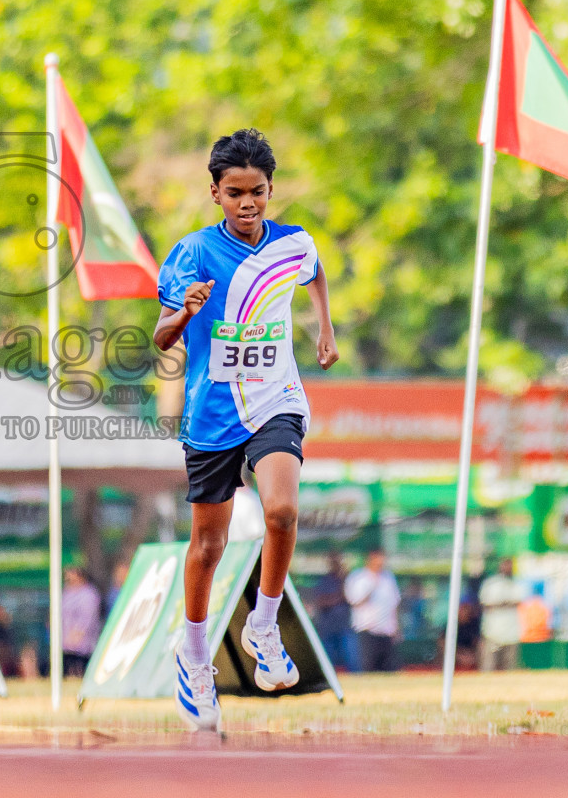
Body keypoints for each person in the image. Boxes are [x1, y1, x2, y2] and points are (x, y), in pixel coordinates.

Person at [153, 129, 339, 731]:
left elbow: (316, 275)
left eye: (257, 191)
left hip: (274, 398)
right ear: (216, 193)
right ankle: (197, 657)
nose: (248, 203)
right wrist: (186, 309)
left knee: (282, 510)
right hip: (212, 411)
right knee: (209, 546)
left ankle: (264, 624)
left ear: (270, 190)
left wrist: (323, 331)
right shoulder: (193, 254)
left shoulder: (294, 244)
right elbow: (161, 337)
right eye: (235, 193)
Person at [345, 548, 400, 672]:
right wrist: (372, 587)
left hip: (386, 630)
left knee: (388, 668)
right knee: (367, 667)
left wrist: (396, 627)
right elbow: (354, 602)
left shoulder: (388, 577)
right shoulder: (358, 577)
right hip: (367, 630)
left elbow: (394, 604)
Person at [312, 553, 357, 671]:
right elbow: (320, 601)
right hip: (328, 626)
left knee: (352, 660)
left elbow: (352, 598)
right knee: (328, 661)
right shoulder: (325, 580)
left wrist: (343, 580)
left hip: (345, 626)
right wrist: (338, 598)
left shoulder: (347, 579)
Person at [479, 558, 522, 672]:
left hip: (511, 631)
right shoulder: (491, 584)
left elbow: (518, 602)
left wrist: (502, 604)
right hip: (493, 630)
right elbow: (485, 604)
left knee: (510, 664)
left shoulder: (516, 583)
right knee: (489, 664)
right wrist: (504, 604)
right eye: (506, 565)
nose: (508, 568)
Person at [61, 566, 102, 677]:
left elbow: (88, 616)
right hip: (65, 638)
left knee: (79, 664)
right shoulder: (66, 592)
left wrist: (79, 631)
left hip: (81, 640)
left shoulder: (89, 594)